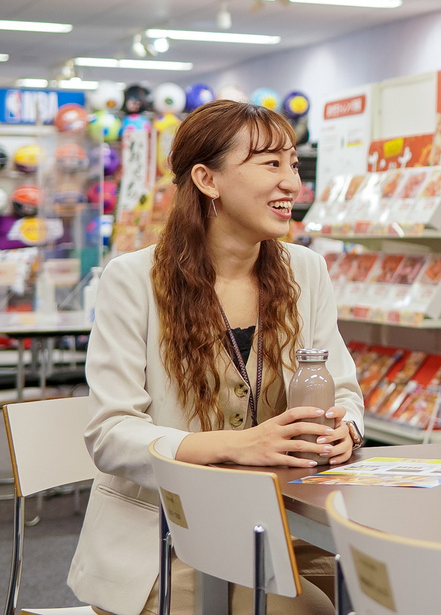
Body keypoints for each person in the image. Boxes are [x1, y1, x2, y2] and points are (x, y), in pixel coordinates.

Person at [69, 101, 365, 615]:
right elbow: (111, 434)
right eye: (270, 164)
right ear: (207, 179)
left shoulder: (306, 271)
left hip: (280, 527)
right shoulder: (133, 279)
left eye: (293, 165)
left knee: (383, 588)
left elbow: (342, 389)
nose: (292, 184)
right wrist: (239, 445)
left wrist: (347, 427)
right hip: (165, 541)